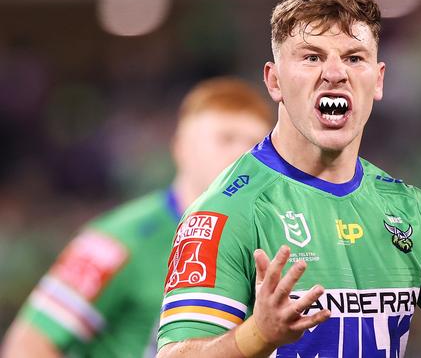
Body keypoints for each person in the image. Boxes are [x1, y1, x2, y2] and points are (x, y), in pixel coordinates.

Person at [156, 0, 421, 357]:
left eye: (353, 57)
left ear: (378, 79)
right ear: (274, 81)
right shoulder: (226, 212)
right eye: (312, 57)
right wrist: (258, 335)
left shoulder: (411, 212)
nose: (335, 73)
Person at [1, 77, 274, 357]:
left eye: (253, 144)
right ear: (181, 148)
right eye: (225, 138)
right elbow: (27, 345)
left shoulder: (269, 238)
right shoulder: (116, 240)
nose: (242, 155)